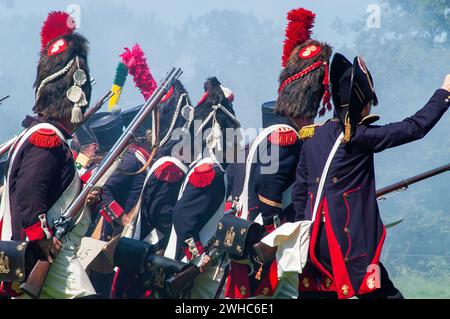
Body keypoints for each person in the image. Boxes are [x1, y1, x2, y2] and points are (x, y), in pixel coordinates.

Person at [292, 52, 450, 299]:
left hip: (314, 242)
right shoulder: (359, 136)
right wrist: (444, 93)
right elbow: (414, 127)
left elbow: (300, 194)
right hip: (347, 242)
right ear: (361, 103)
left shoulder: (313, 137)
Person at [225, 7, 333, 299]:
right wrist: (277, 234)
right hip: (265, 240)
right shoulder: (286, 137)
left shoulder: (269, 135)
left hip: (251, 235)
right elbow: (269, 189)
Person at [0, 11, 100, 299]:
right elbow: (32, 194)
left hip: (48, 254)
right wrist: (42, 239)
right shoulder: (46, 138)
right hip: (44, 255)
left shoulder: (50, 137)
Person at [163, 77, 240, 298]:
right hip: (193, 268)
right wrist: (197, 256)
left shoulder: (209, 168)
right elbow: (183, 216)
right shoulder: (208, 172)